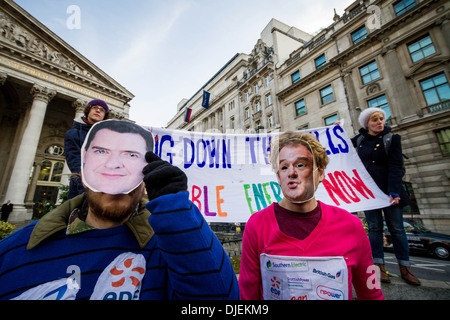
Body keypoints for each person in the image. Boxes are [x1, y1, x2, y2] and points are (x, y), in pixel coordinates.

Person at [0, 120, 239, 300]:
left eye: (131, 157)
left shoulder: (169, 249)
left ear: (145, 179)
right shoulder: (13, 250)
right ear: (83, 174)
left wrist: (177, 211)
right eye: (101, 154)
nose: (115, 167)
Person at [239, 131, 384, 300]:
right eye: (284, 167)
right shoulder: (257, 225)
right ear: (278, 177)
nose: (291, 172)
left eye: (301, 165)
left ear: (320, 173)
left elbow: (372, 293)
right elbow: (247, 295)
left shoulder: (351, 225)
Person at [350, 107, 420, 286]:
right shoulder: (360, 139)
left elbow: (396, 166)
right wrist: (335, 129)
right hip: (369, 193)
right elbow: (340, 146)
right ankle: (379, 267)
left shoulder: (392, 139)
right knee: (374, 228)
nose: (380, 122)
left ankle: (405, 268)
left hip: (390, 193)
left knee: (397, 229)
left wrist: (394, 190)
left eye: (381, 119)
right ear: (367, 123)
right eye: (375, 120)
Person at [64, 99, 110, 199]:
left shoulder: (107, 136)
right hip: (83, 184)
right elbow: (74, 161)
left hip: (105, 182)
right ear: (88, 111)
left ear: (104, 116)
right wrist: (84, 182)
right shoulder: (73, 133)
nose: (98, 111)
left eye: (102, 110)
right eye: (95, 108)